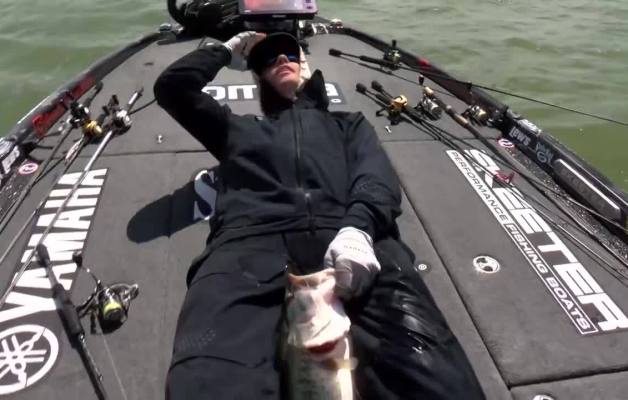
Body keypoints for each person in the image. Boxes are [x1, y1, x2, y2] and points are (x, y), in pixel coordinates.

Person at [154, 31, 485, 399]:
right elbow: (172, 88)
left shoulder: (349, 123)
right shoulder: (235, 129)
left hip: (352, 237)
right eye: (268, 59)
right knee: (205, 378)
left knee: (437, 378)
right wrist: (223, 50)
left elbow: (375, 176)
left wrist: (359, 229)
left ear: (306, 68)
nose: (281, 59)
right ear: (258, 78)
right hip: (247, 245)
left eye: (289, 54)